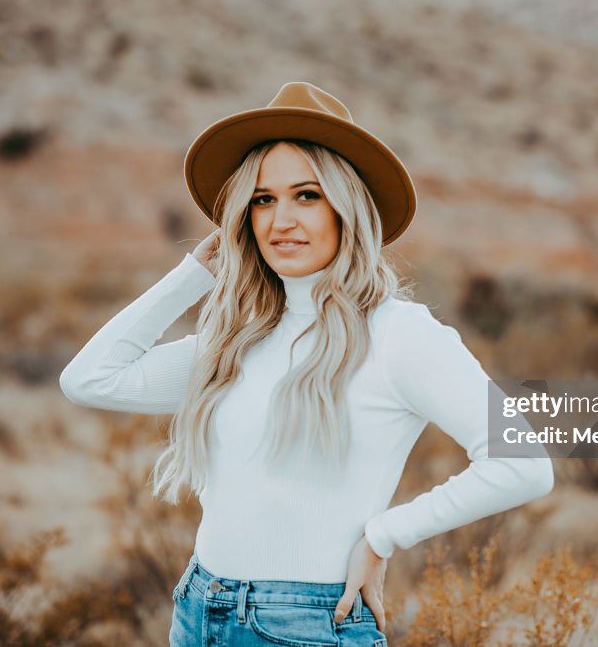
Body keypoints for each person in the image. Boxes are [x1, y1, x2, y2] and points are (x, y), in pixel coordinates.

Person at [59, 82, 554, 647]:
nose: (281, 220)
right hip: (199, 609)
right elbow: (88, 379)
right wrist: (194, 273)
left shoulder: (399, 333)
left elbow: (523, 465)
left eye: (307, 195)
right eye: (263, 200)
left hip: (306, 626)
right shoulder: (235, 340)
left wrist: (384, 536)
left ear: (348, 208)